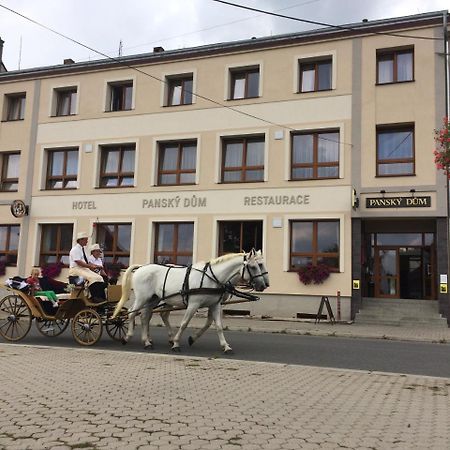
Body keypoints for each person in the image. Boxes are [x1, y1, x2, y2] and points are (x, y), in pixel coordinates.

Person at [69, 232, 107, 303]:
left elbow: (88, 262)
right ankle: (94, 297)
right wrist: (90, 266)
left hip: (83, 269)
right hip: (76, 269)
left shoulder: (84, 250)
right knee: (93, 278)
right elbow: (79, 262)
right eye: (86, 240)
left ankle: (101, 297)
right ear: (81, 240)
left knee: (99, 278)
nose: (87, 241)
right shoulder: (75, 250)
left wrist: (96, 266)